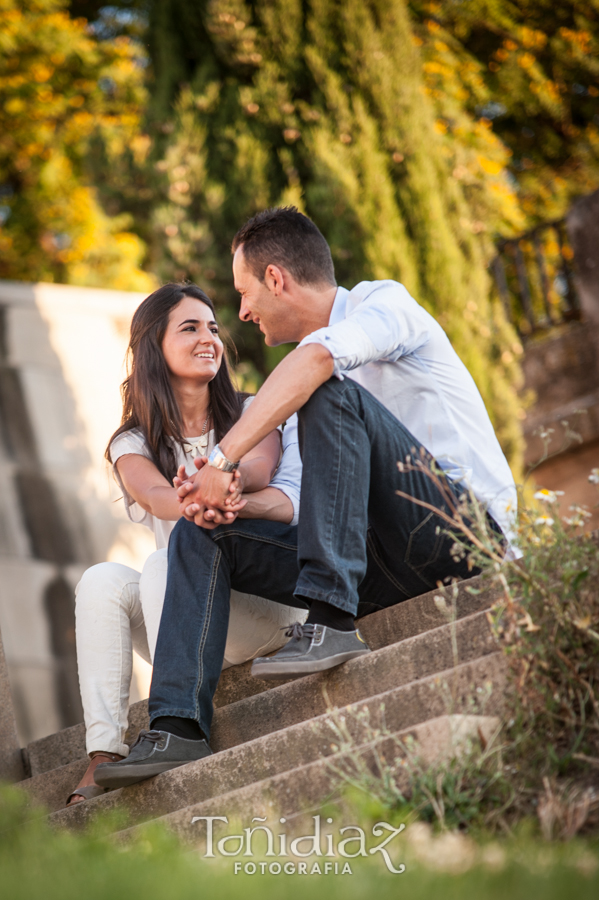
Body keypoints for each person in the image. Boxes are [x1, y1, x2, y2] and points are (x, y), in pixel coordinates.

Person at [95, 207, 516, 790]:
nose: (239, 314)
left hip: (461, 540)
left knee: (324, 388)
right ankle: (177, 725)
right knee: (200, 530)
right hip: (374, 566)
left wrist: (221, 461)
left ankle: (330, 621)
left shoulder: (383, 304)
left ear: (275, 279)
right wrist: (220, 502)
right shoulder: (288, 387)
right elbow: (294, 501)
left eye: (243, 294)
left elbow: (318, 363)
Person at [67, 282, 305, 805]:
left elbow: (260, 469)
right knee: (102, 580)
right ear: (155, 345)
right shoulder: (134, 442)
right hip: (180, 622)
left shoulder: (252, 410)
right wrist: (198, 495)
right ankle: (104, 753)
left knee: (161, 566)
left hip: (261, 611)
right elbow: (155, 496)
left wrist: (222, 481)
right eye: (191, 327)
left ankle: (177, 724)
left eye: (214, 328)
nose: (210, 338)